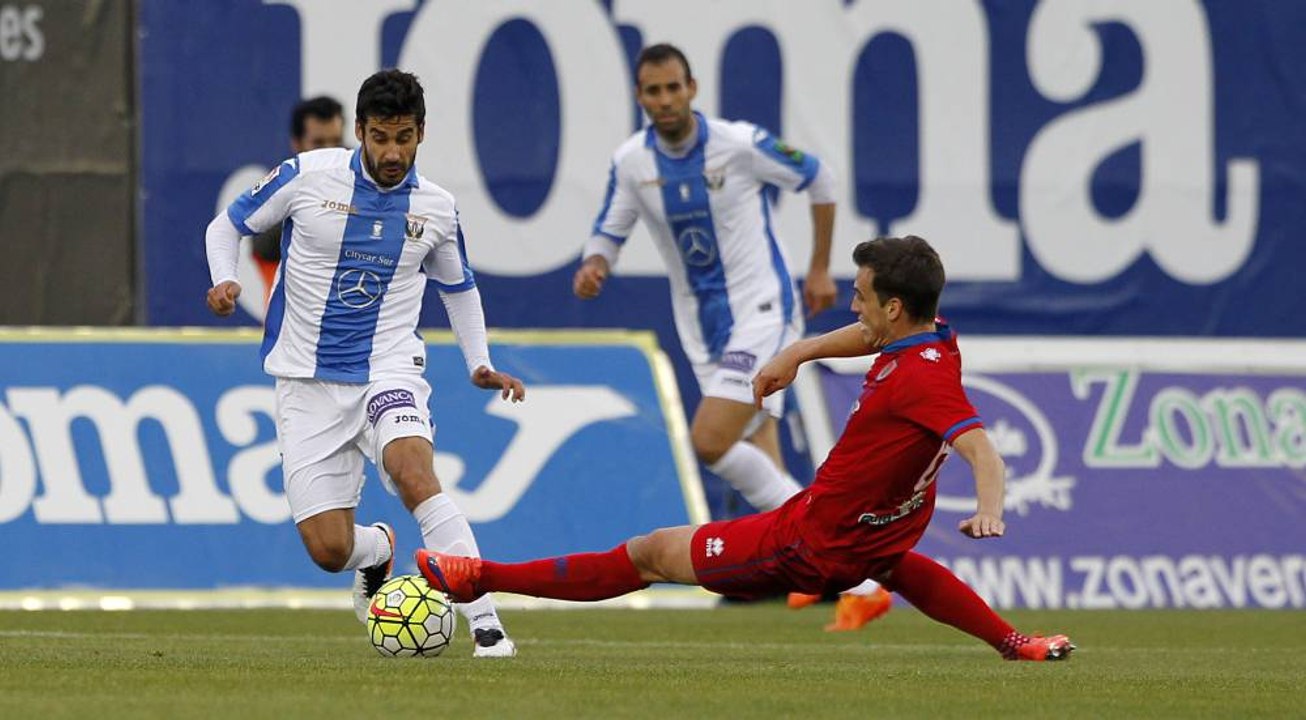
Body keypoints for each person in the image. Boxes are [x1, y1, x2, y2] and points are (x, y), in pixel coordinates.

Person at [419, 235, 1075, 662]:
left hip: (807, 543)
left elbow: (983, 451)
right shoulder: (934, 341)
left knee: (649, 554)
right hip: (876, 530)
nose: (852, 303)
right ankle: (1015, 643)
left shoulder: (921, 381)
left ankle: (482, 578)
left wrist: (990, 509)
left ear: (895, 306)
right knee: (898, 561)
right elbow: (867, 336)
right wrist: (799, 350)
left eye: (862, 295)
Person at [205, 69, 523, 658]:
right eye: (380, 137)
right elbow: (226, 226)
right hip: (306, 381)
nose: (392, 151)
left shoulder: (437, 208)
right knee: (328, 550)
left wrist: (479, 362)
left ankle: (487, 624)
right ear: (358, 131)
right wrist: (225, 278)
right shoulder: (307, 176)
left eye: (404, 137)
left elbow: (459, 289)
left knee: (414, 473)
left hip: (388, 368)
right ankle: (376, 549)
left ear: (421, 133)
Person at [572, 43, 888, 626]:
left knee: (710, 440)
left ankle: (854, 574)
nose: (664, 100)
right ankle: (803, 572)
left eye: (673, 88)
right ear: (640, 97)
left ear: (692, 89)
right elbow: (610, 226)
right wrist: (596, 263)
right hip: (703, 326)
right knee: (757, 447)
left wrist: (820, 268)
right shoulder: (632, 161)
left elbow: (820, 177)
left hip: (762, 308)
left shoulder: (738, 144)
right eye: (652, 91)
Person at [250, 96, 348, 300]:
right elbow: (262, 247)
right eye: (319, 144)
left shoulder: (369, 186)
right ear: (297, 144)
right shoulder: (281, 192)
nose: (330, 151)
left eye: (336, 141)